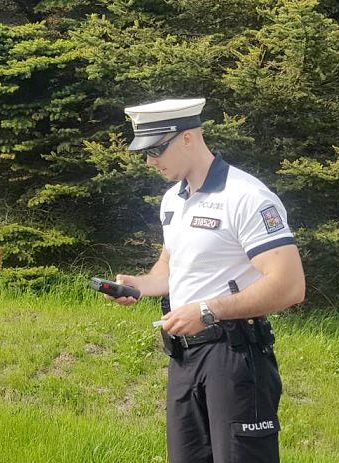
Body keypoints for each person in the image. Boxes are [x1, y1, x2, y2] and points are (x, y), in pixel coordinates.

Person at [106, 98, 305, 463]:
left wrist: (209, 311)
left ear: (187, 138)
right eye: (144, 153)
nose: (150, 161)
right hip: (184, 356)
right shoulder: (173, 199)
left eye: (155, 150)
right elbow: (172, 267)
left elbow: (289, 285)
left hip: (235, 355)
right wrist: (140, 284)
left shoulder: (246, 197)